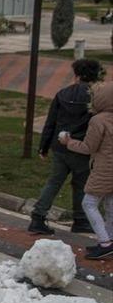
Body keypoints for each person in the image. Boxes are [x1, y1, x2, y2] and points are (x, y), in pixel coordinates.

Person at [29, 59, 101, 235]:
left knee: (54, 181)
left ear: (76, 75)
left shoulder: (62, 94)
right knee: (81, 184)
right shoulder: (95, 97)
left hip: (60, 146)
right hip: (82, 148)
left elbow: (51, 122)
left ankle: (38, 215)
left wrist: (43, 146)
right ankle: (81, 220)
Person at [60, 81, 113, 259]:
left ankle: (105, 243)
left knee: (89, 203)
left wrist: (69, 142)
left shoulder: (98, 120)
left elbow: (88, 147)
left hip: (104, 169)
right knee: (110, 206)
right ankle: (109, 241)